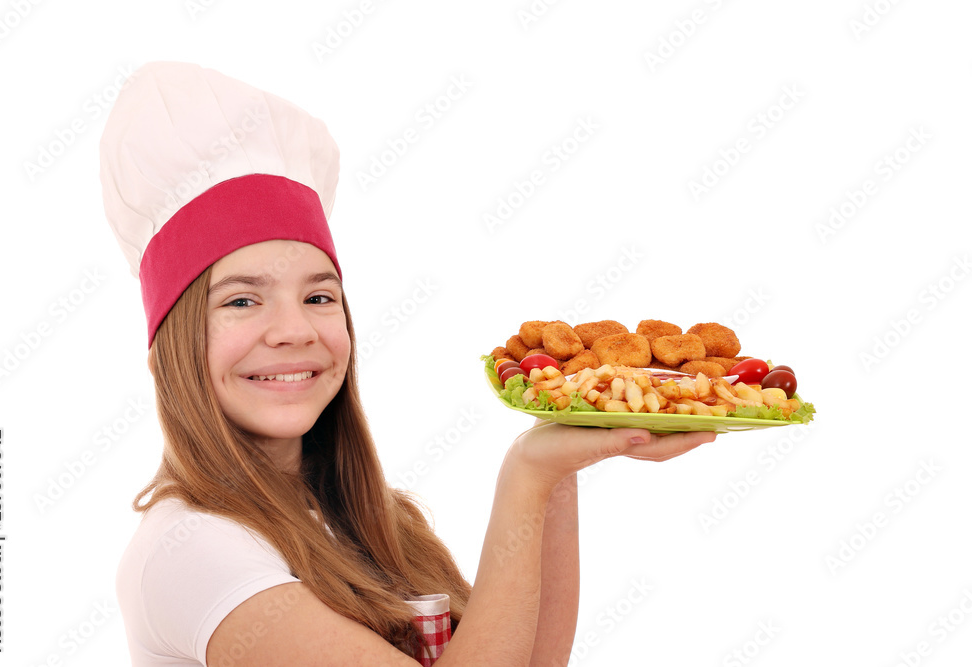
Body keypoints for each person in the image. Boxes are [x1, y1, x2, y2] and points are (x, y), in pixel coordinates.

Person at [101, 61, 716, 667]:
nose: (295, 330)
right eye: (241, 300)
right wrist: (525, 476)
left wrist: (561, 452)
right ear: (171, 343)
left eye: (320, 297)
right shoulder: (192, 553)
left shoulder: (368, 519)